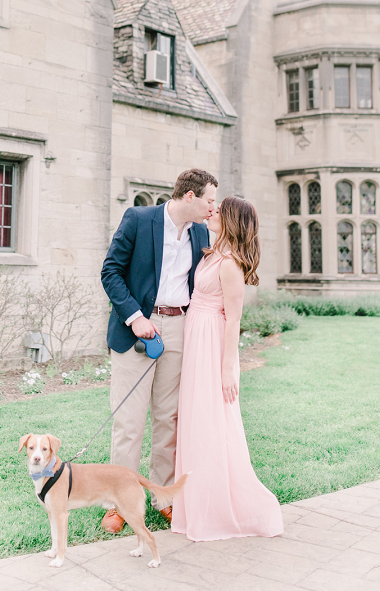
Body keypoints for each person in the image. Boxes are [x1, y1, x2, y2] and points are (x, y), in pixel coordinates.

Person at [100, 168, 218, 532]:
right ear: (189, 196)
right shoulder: (139, 219)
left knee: (168, 421)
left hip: (180, 327)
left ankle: (163, 498)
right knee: (129, 422)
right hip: (138, 328)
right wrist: (135, 317)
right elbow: (110, 272)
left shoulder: (201, 232)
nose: (212, 207)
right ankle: (119, 502)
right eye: (209, 200)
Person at [172, 195, 284, 541]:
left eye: (219, 211)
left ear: (231, 220)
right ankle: (192, 507)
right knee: (194, 421)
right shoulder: (212, 255)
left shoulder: (230, 265)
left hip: (212, 346)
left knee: (211, 424)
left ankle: (220, 510)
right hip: (196, 340)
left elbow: (233, 320)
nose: (212, 212)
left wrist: (226, 369)